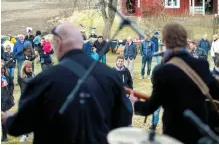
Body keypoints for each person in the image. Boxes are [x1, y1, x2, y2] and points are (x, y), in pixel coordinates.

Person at [1, 22, 131, 143]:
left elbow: (19, 125)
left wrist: (7, 119)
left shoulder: (44, 80)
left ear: (58, 43)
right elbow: (124, 118)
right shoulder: (111, 75)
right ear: (81, 43)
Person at [131, 22, 219, 144]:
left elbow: (150, 107)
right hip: (200, 133)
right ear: (185, 40)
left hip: (174, 135)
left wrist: (135, 103)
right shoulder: (201, 65)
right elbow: (217, 92)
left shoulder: (162, 71)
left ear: (166, 42)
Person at [113, 56, 133, 126]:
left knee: (128, 109)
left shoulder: (126, 70)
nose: (120, 62)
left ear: (123, 62)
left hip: (126, 93)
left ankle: (129, 123)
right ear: (116, 61)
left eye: (121, 61)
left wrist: (130, 91)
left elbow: (130, 81)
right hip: (117, 93)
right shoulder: (112, 70)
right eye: (119, 61)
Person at [18, 60, 35, 142]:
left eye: (30, 67)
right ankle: (25, 134)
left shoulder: (32, 74)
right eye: (28, 67)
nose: (30, 68)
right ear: (24, 67)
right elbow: (28, 83)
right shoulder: (21, 76)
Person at [1, 60, 14, 142]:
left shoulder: (7, 77)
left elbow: (11, 84)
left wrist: (9, 92)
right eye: (1, 68)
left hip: (4, 100)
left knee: (3, 118)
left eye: (3, 68)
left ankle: (4, 136)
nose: (2, 70)